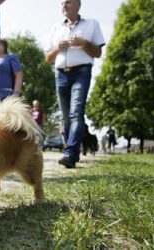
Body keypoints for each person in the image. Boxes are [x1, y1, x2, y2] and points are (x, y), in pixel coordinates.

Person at [45, 0, 105, 168]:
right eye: (62, 3)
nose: (64, 5)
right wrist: (58, 48)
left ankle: (70, 153)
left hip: (82, 72)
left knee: (76, 113)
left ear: (78, 4)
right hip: (60, 74)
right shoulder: (56, 28)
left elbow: (98, 53)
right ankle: (71, 151)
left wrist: (84, 43)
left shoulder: (92, 24)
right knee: (65, 117)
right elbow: (48, 58)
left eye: (68, 2)